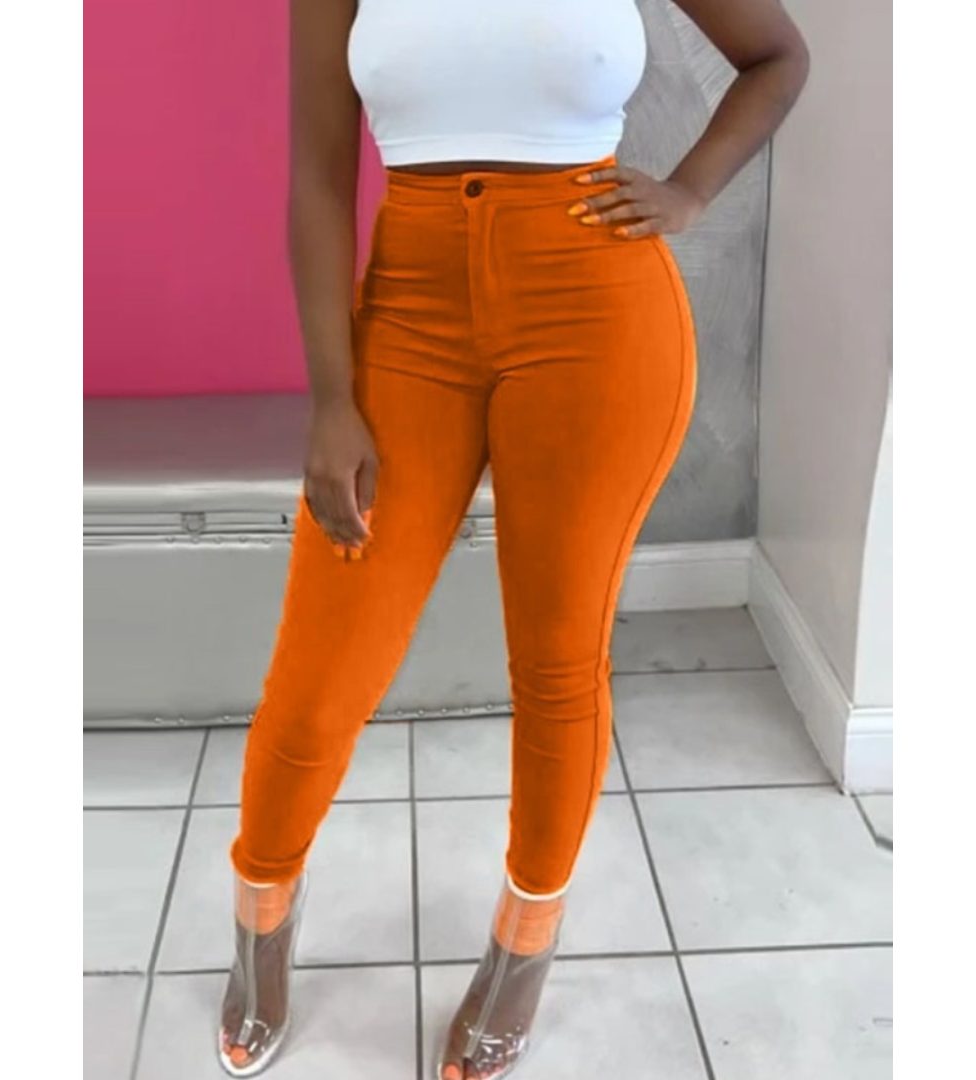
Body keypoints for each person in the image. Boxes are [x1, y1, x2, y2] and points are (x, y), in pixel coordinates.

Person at [217, 1, 809, 1076]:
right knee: (319, 676)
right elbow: (317, 179)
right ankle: (262, 914)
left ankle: (523, 946)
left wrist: (686, 192)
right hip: (410, 317)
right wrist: (332, 400)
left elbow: (777, 57)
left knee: (557, 662)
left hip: (595, 315)